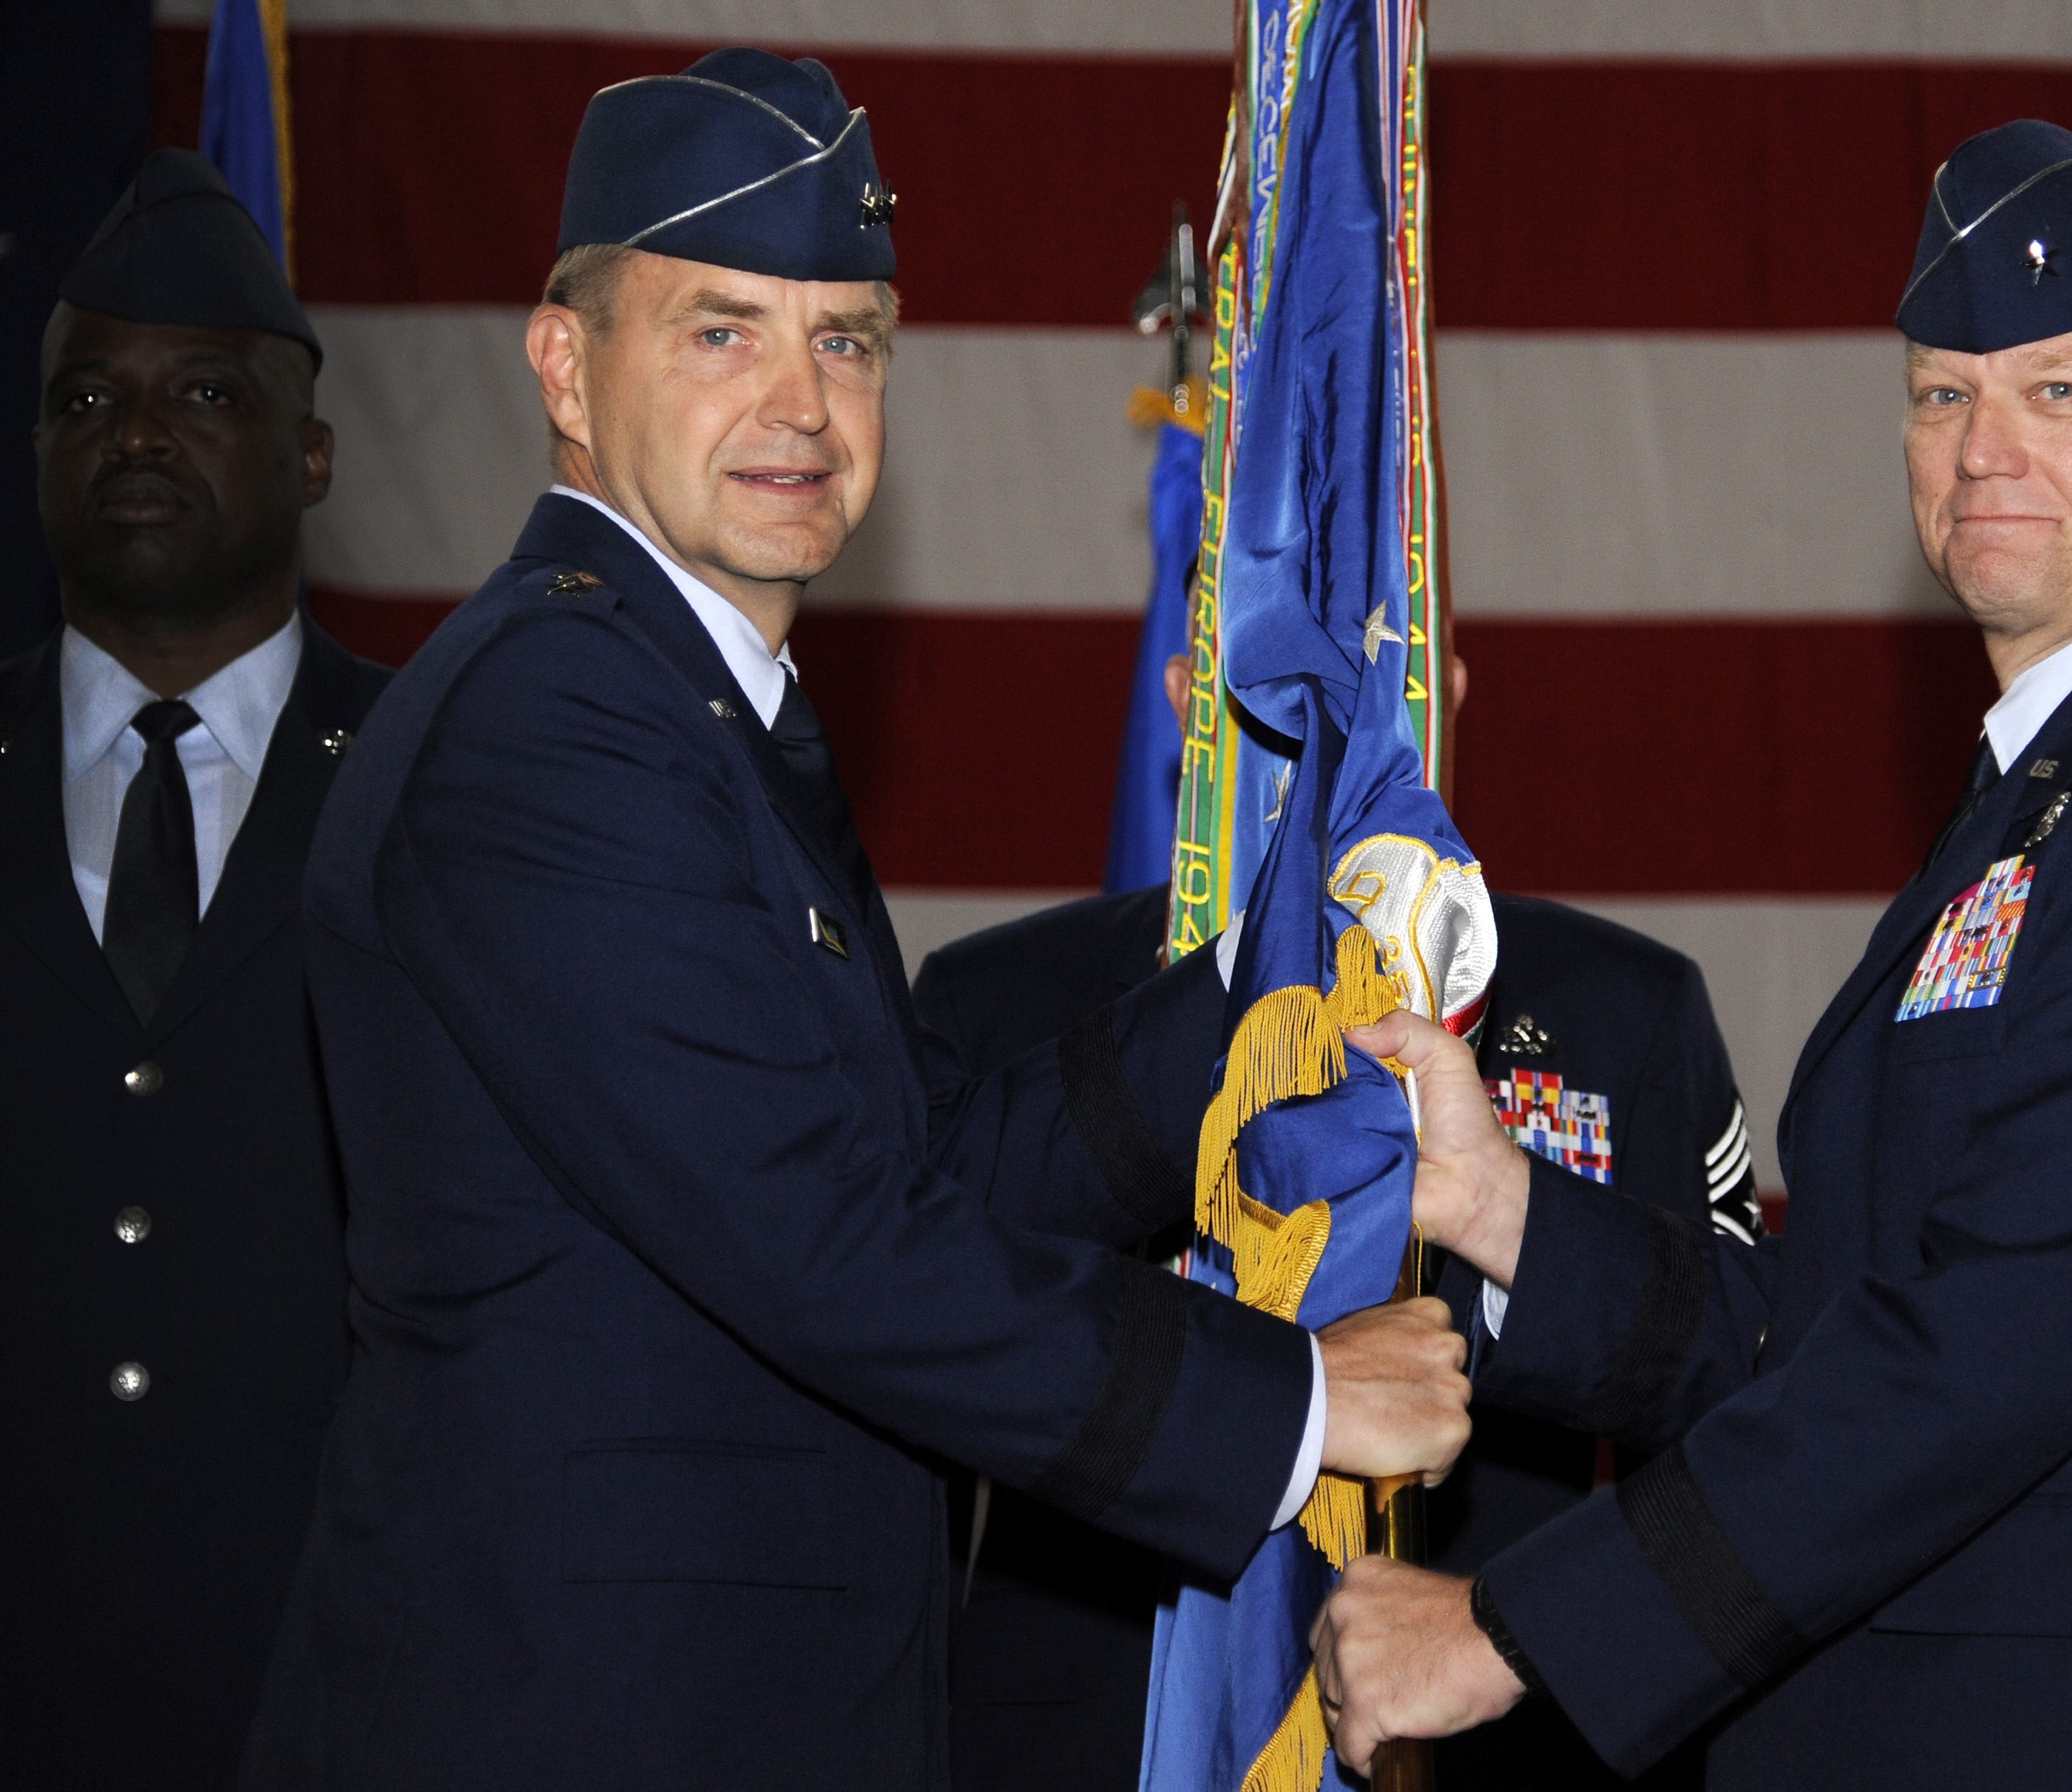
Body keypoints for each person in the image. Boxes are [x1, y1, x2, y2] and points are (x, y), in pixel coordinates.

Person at [242, 52, 1467, 1790]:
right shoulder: (553, 721)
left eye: (850, 341)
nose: (803, 406)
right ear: (566, 369)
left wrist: (1277, 980)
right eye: (722, 332)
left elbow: (915, 1161)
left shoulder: (691, 704)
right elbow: (822, 1234)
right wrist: (1295, 1405)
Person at [1312, 118, 2072, 1790]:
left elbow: (2002, 1341)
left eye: (2058, 391)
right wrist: (1494, 1203)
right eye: (1944, 394)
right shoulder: (2049, 801)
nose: (1984, 447)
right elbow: (1846, 1330)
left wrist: (1510, 1631)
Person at [916, 651, 1758, 1791]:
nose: (1331, 731)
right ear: (1184, 698)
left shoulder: (1622, 1008)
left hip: (1495, 1722)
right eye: (1277, 685)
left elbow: (1736, 1409)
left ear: (1452, 692)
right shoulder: (1005, 1001)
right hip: (1089, 1735)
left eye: (1377, 686)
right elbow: (918, 1364)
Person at [0, 150, 390, 1792]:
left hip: (337, 1692)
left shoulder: (434, 783)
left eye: (204, 392)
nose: (139, 433)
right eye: (88, 400)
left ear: (308, 456)